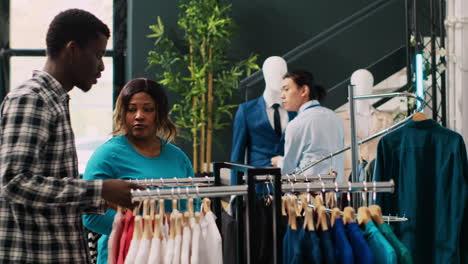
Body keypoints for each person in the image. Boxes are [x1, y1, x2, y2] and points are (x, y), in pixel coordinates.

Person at [0, 9, 142, 263]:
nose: (101, 65)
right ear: (73, 50)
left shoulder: (54, 101)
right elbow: (14, 183)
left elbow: (46, 189)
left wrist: (105, 198)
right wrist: (101, 190)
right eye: (97, 54)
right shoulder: (32, 99)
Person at [83, 78, 195, 264]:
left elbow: (195, 205)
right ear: (123, 114)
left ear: (159, 114)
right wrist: (148, 229)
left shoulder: (178, 157)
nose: (139, 116)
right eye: (132, 109)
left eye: (148, 109)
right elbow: (90, 214)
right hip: (123, 256)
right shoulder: (107, 155)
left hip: (173, 255)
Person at [230, 56, 296, 184]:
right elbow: (237, 155)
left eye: (282, 73)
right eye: (273, 73)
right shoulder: (246, 111)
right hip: (258, 185)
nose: (279, 78)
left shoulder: (295, 111)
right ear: (265, 75)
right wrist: (235, 193)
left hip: (288, 185)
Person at [271, 70, 345, 182]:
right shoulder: (335, 117)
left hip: (309, 193)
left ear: (304, 90)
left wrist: (278, 162)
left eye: (286, 89)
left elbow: (287, 169)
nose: (282, 96)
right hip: (336, 191)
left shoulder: (297, 124)